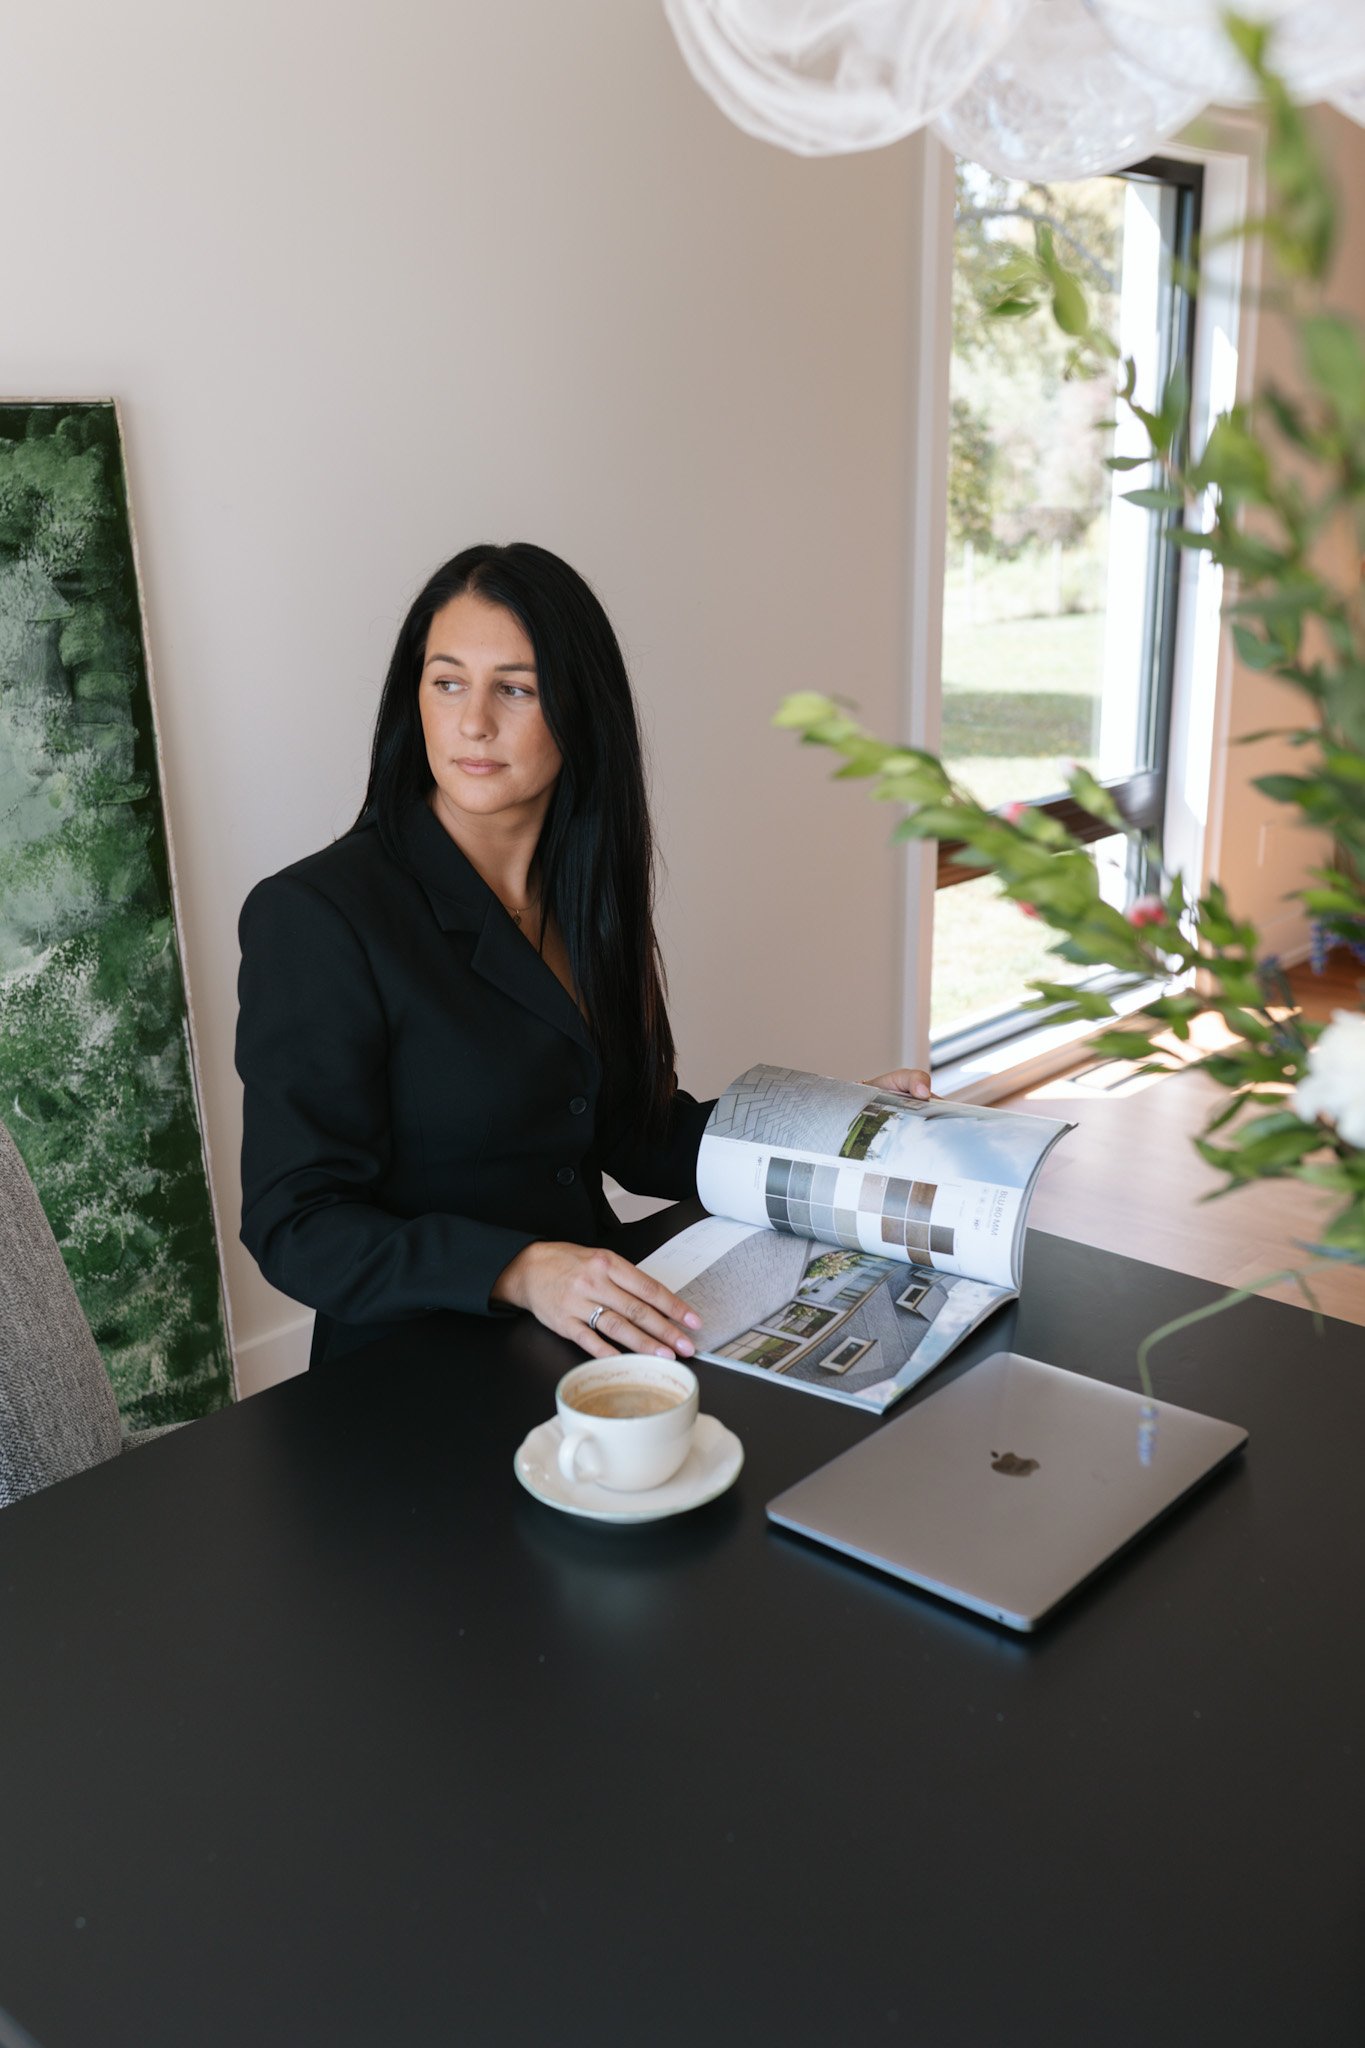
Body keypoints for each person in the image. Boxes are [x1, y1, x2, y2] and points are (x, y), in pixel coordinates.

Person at [236, 543, 929, 1367]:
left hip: (594, 1331)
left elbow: (636, 1137)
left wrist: (831, 1128)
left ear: (579, 711)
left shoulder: (587, 891)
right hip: (417, 1365)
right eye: (447, 681)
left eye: (516, 689)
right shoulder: (316, 915)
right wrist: (520, 1270)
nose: (473, 721)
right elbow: (295, 1223)